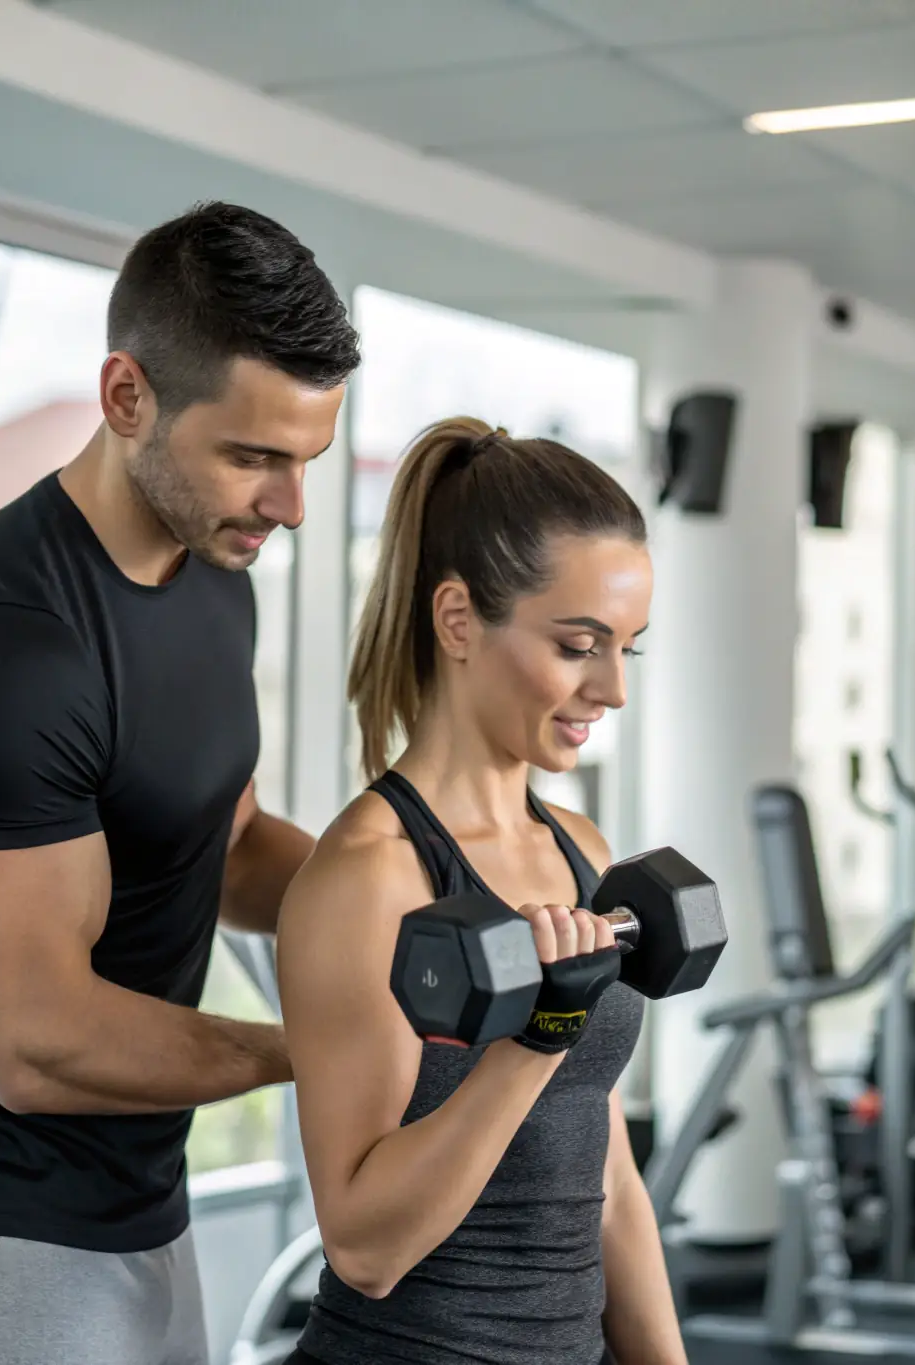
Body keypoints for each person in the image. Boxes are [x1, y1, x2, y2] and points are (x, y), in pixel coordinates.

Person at [0, 201, 360, 1365]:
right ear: (126, 397)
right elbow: (37, 1043)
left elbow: (224, 837)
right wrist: (332, 1041)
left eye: (304, 460)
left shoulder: (214, 567)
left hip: (147, 1210)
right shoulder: (5, 640)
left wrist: (413, 902)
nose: (289, 506)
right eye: (254, 457)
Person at [277, 416, 688, 1365]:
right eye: (580, 644)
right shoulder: (368, 877)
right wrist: (539, 1037)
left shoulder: (581, 850)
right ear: (458, 618)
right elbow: (365, 1246)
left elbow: (609, 1177)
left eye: (629, 646)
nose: (612, 689)